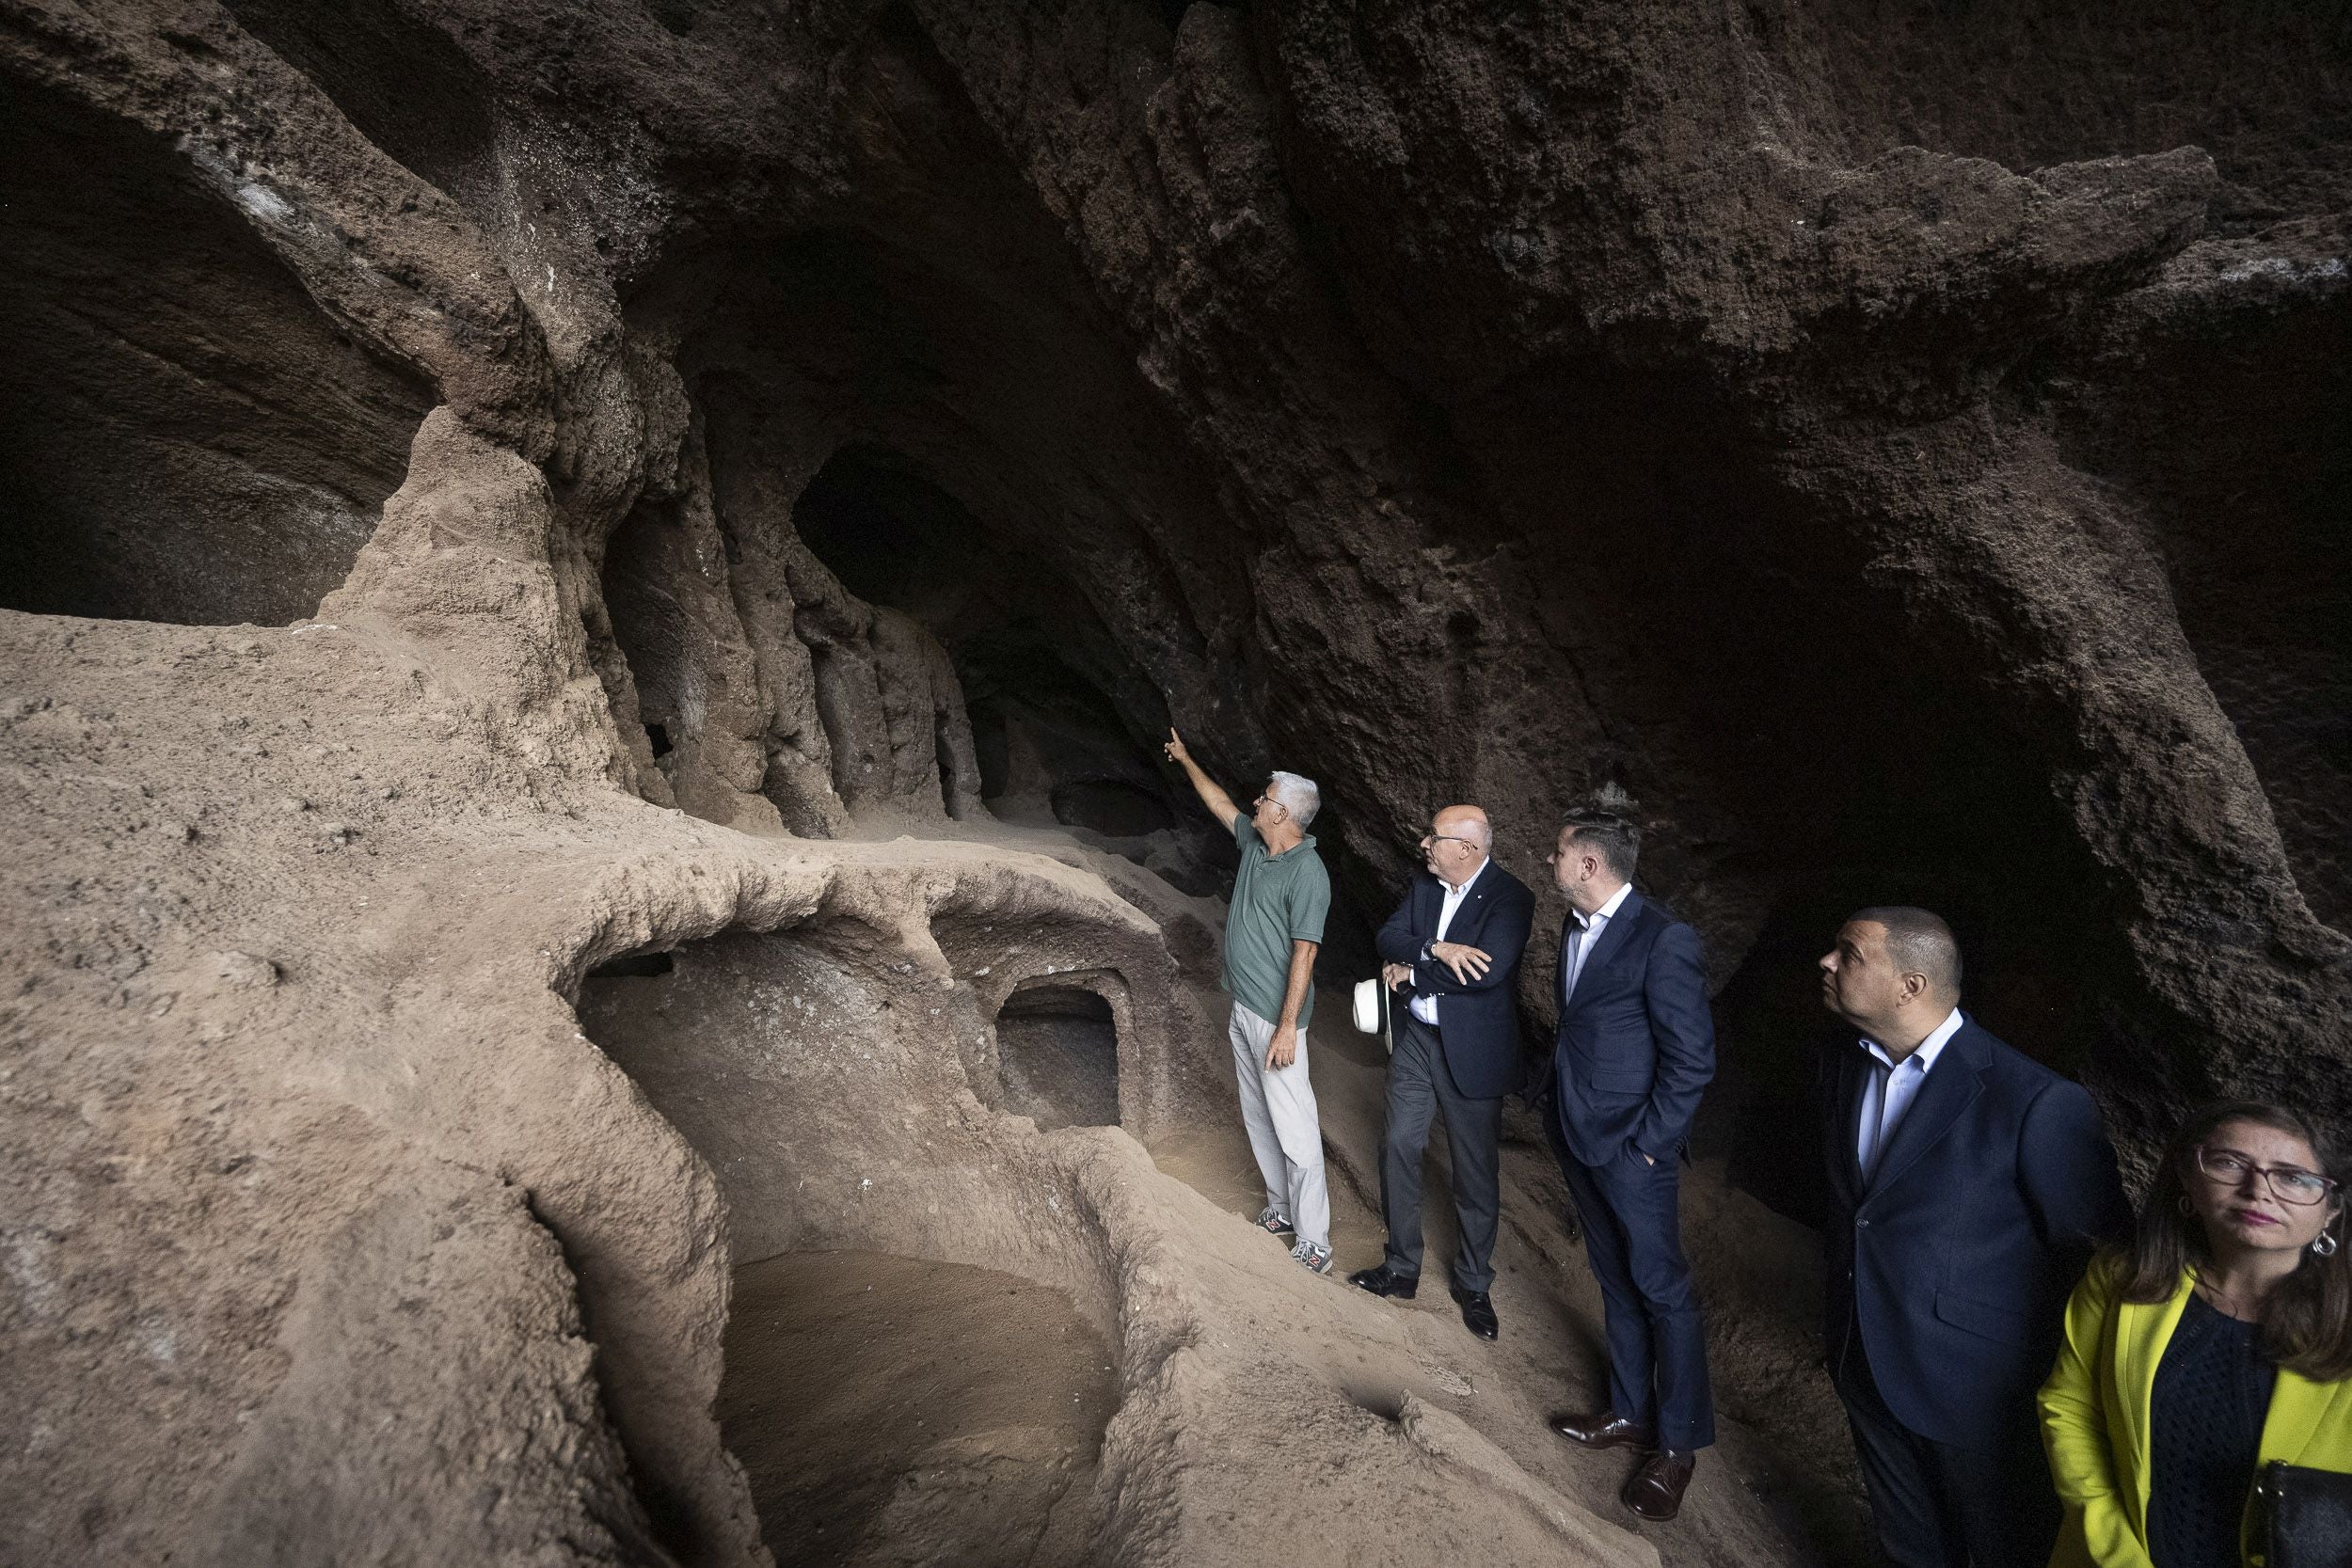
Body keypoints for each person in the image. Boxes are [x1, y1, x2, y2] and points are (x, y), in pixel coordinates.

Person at [1818, 907, 2129, 1568]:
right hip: (1863, 1358)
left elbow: (2095, 1261)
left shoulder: (2037, 1101)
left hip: (1978, 1396)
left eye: (1848, 953)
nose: (1827, 961)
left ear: (1910, 986)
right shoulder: (1845, 1064)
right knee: (1909, 1550)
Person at [2041, 1101, 2352, 1568]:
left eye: (2292, 1177)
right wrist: (2119, 1557)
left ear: (2330, 1210)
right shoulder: (2119, 1278)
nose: (2258, 1191)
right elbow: (2070, 1411)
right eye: (2229, 1163)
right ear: (2188, 1177)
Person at [1539, 800, 1718, 1523]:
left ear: (1589, 862)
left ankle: (1676, 1447)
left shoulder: (1663, 938)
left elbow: (1692, 1059)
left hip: (1632, 1148)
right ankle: (1629, 1411)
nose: (1549, 862)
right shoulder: (1572, 925)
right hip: (1577, 1131)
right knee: (1614, 1276)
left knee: (1663, 1289)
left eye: (1558, 853)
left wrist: (1648, 1143)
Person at [1351, 805, 1536, 1339]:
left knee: (1474, 1173)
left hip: (1472, 1054)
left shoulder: (1510, 898)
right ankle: (1402, 1267)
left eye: (1435, 837)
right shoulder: (1426, 886)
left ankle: (1474, 1284)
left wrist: (1412, 974)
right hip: (1416, 1041)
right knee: (1398, 1145)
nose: (1425, 844)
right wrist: (1434, 949)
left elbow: (1485, 972)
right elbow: (1389, 936)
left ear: (1468, 849)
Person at [1164, 729, 1337, 1274]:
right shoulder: (1256, 845)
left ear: (1283, 813)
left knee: (1295, 1124)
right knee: (1259, 1115)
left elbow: (1305, 956)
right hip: (1243, 1006)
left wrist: (1287, 1028)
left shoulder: (1308, 873)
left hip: (1274, 1019)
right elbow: (1220, 804)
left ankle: (1316, 1242)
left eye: (1264, 799)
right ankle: (1281, 1211)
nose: (1255, 803)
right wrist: (1188, 758)